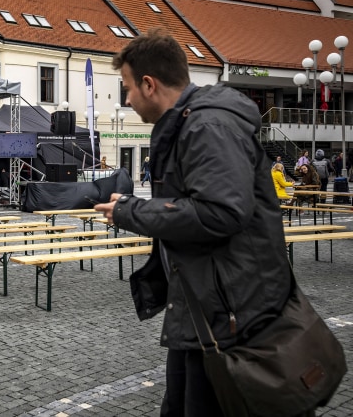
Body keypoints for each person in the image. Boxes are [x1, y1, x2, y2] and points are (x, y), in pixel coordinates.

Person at [93, 29, 291, 416]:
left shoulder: (207, 126)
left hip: (231, 309)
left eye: (127, 89)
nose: (127, 100)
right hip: (203, 305)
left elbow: (222, 211)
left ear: (149, 85)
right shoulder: (188, 124)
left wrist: (132, 211)